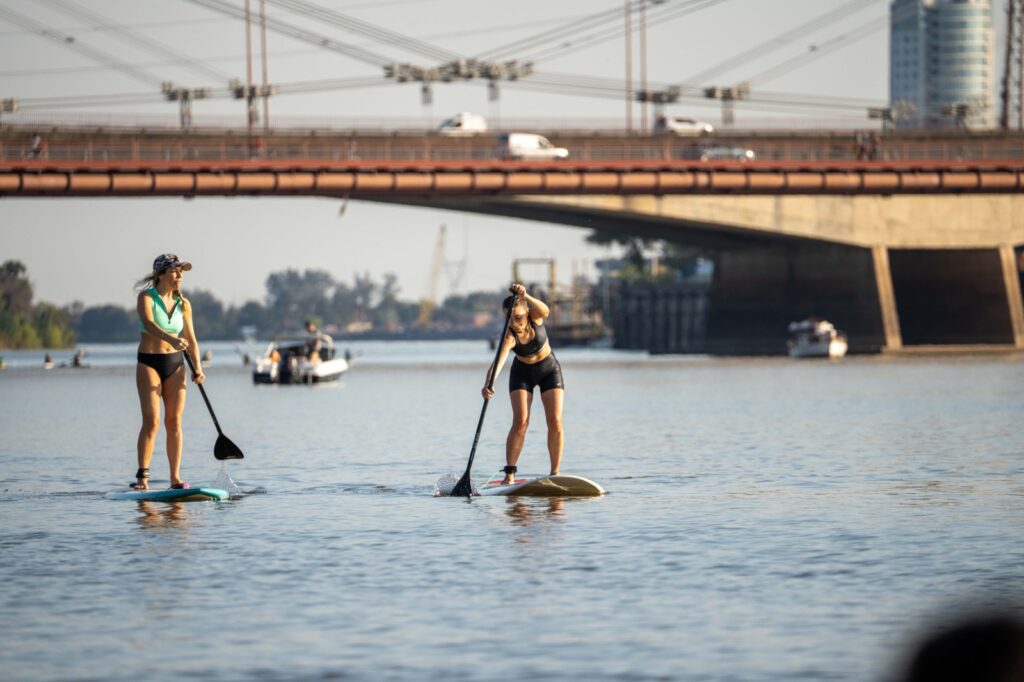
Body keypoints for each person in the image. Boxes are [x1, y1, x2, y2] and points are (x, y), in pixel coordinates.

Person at [132, 253, 205, 490]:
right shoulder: (146, 298)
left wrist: (198, 368)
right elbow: (150, 323)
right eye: (174, 271)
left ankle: (175, 478)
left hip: (176, 365)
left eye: (181, 271)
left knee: (174, 422)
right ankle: (143, 478)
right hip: (149, 363)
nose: (179, 275)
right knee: (152, 421)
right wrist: (171, 339)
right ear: (160, 274)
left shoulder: (185, 304)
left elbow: (191, 339)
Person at [482, 283, 565, 485]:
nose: (514, 322)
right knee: (521, 422)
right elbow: (498, 363)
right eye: (509, 318)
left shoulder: (535, 317)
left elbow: (545, 309)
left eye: (518, 317)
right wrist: (488, 384)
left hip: (549, 370)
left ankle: (555, 473)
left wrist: (526, 295)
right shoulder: (509, 336)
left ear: (526, 312)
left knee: (555, 421)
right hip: (522, 374)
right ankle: (509, 474)